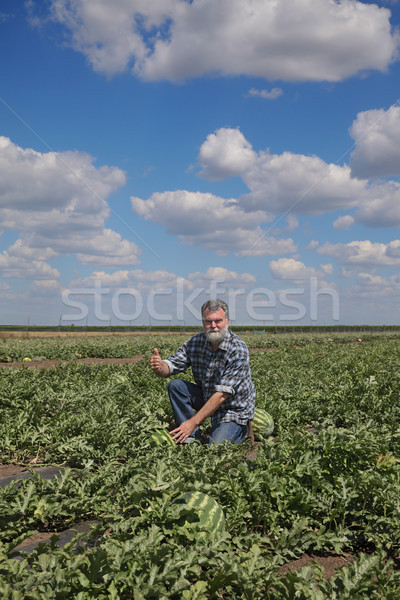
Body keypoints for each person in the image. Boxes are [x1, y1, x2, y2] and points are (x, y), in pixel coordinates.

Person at [150, 299, 256, 445]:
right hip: (208, 397)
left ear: (227, 321)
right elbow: (172, 365)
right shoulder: (195, 342)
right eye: (208, 321)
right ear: (203, 322)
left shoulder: (237, 349)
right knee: (176, 386)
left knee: (215, 447)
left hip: (232, 409)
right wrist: (160, 367)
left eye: (218, 321)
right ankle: (191, 437)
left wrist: (192, 422)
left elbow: (221, 396)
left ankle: (242, 429)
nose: (213, 326)